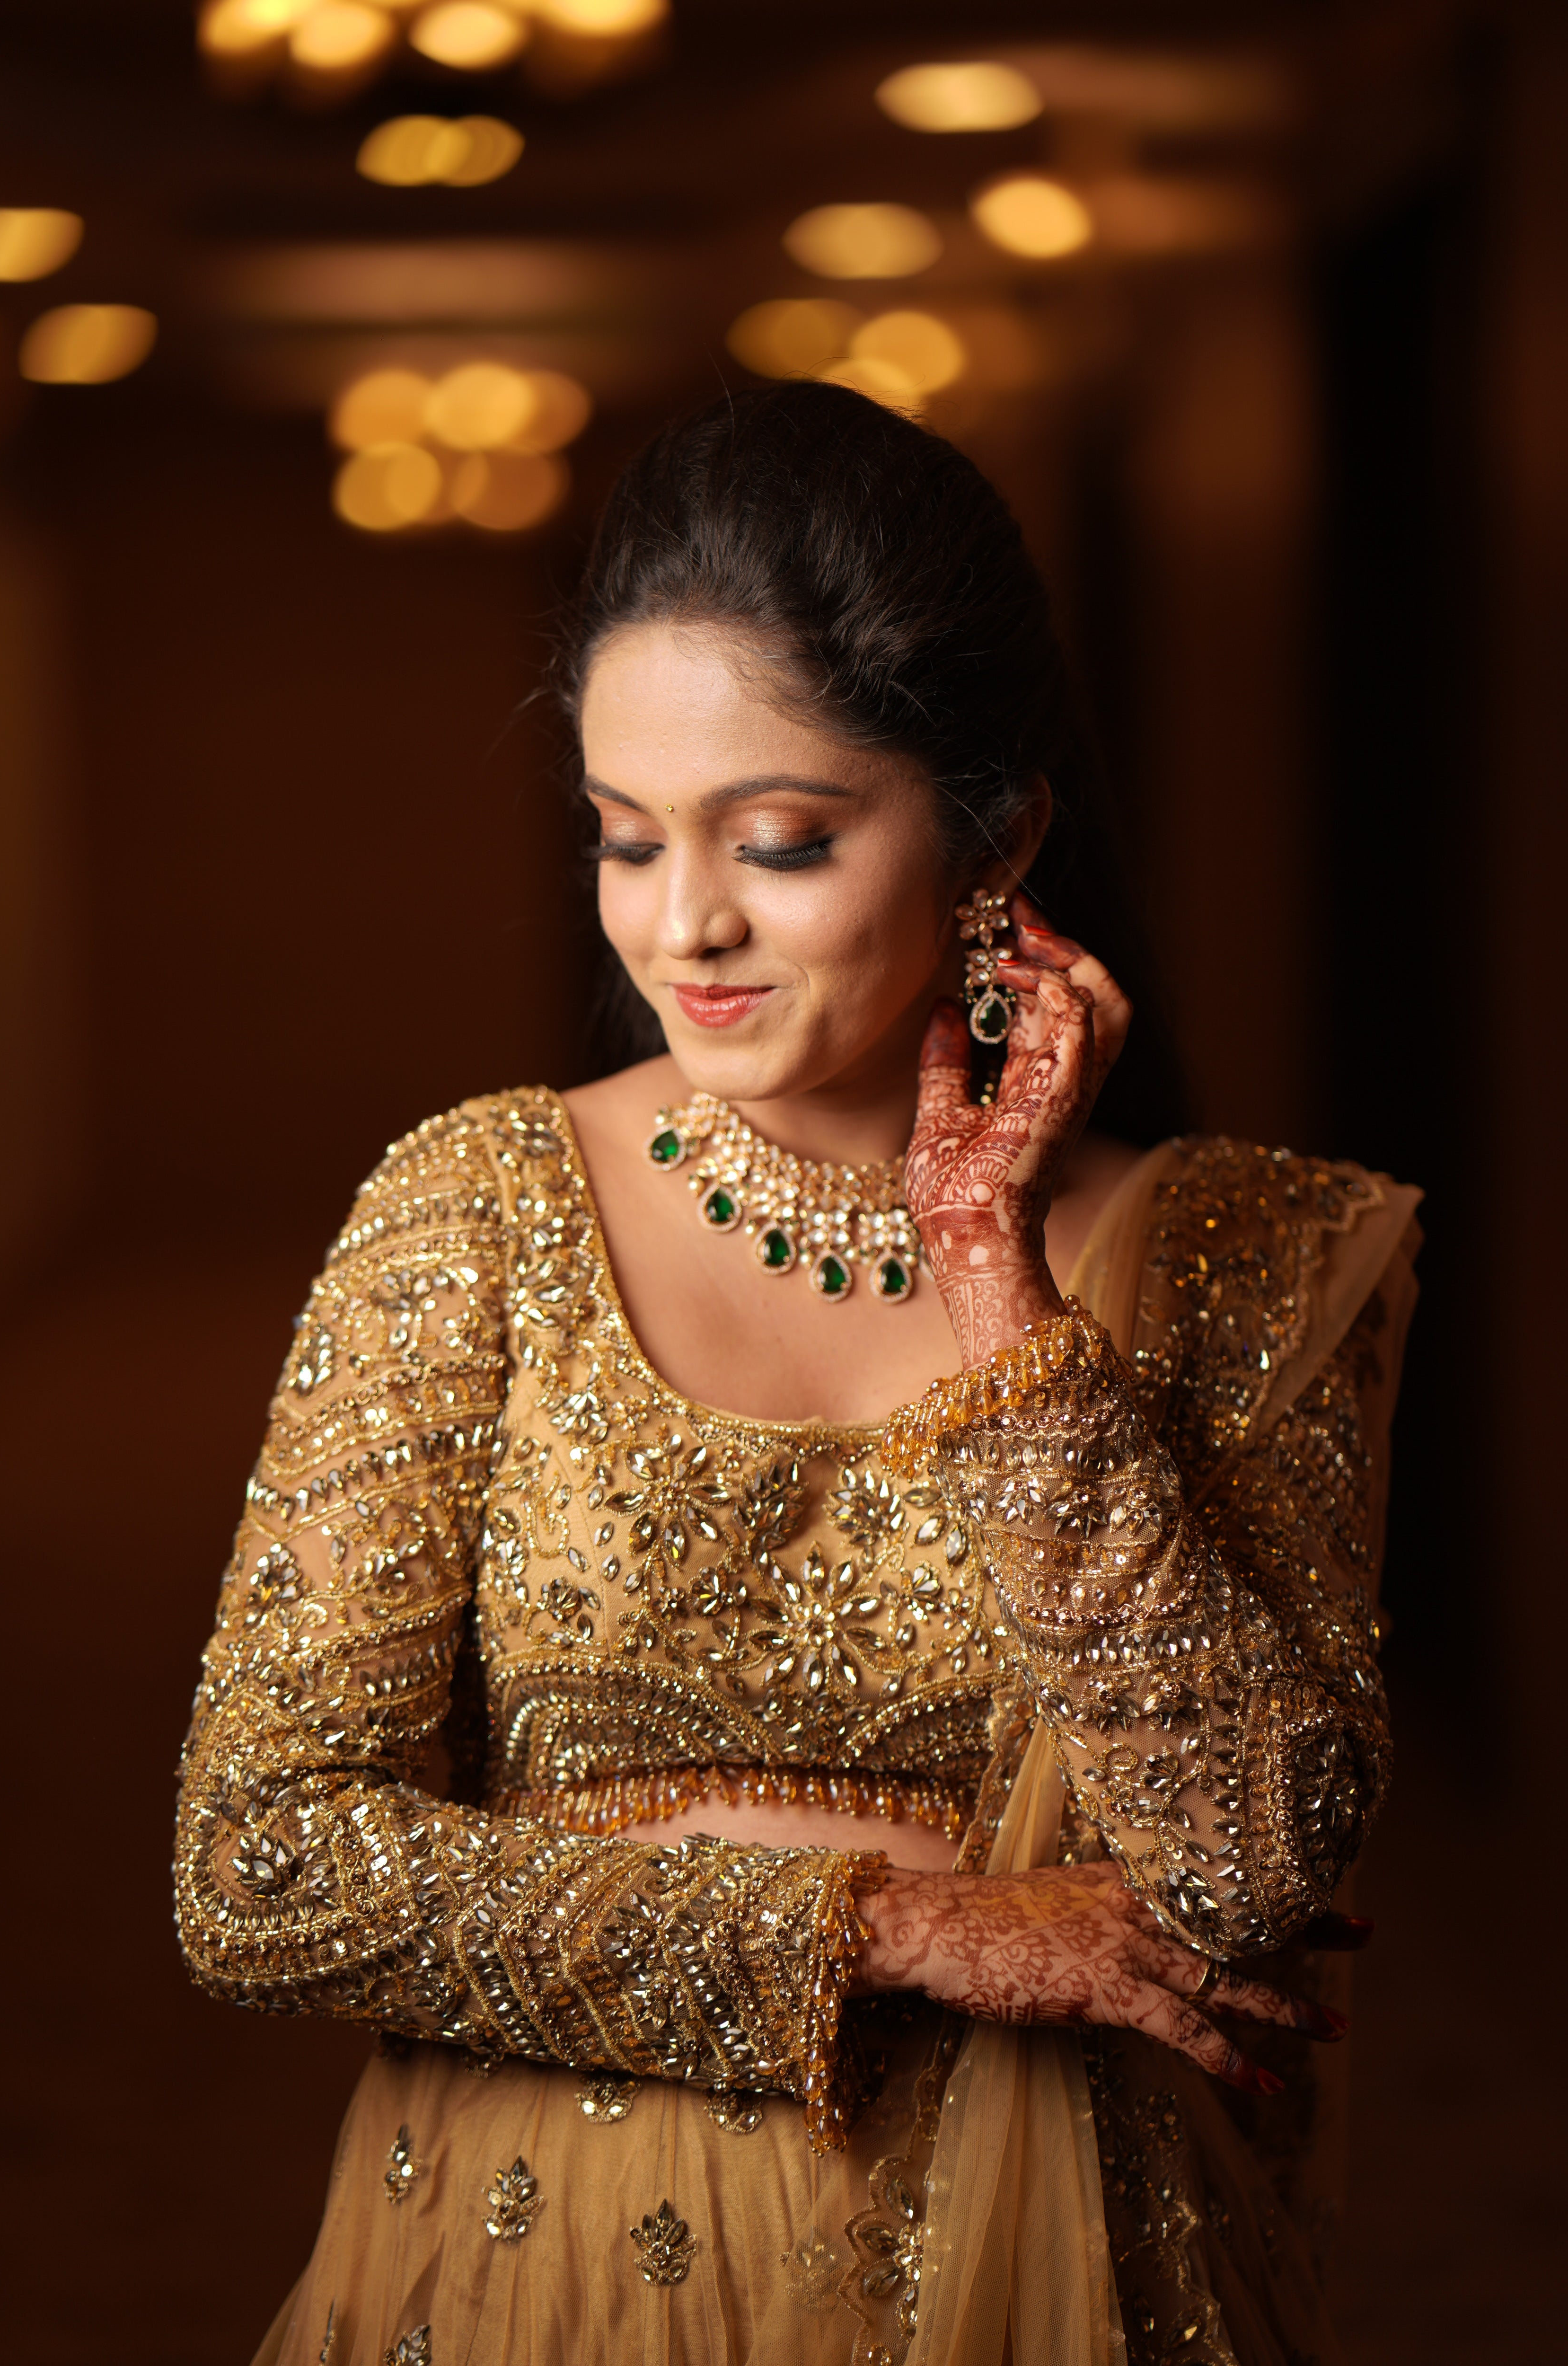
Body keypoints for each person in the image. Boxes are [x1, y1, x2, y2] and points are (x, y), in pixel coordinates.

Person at [175, 382, 1420, 2366]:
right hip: (542, 2271)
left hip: (1055, 2274)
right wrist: (906, 1923)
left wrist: (998, 1295)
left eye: (782, 839)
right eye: (623, 838)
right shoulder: (480, 1207)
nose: (688, 924)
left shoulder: (1255, 1252)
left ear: (995, 827)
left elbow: (1253, 1864)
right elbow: (266, 1860)